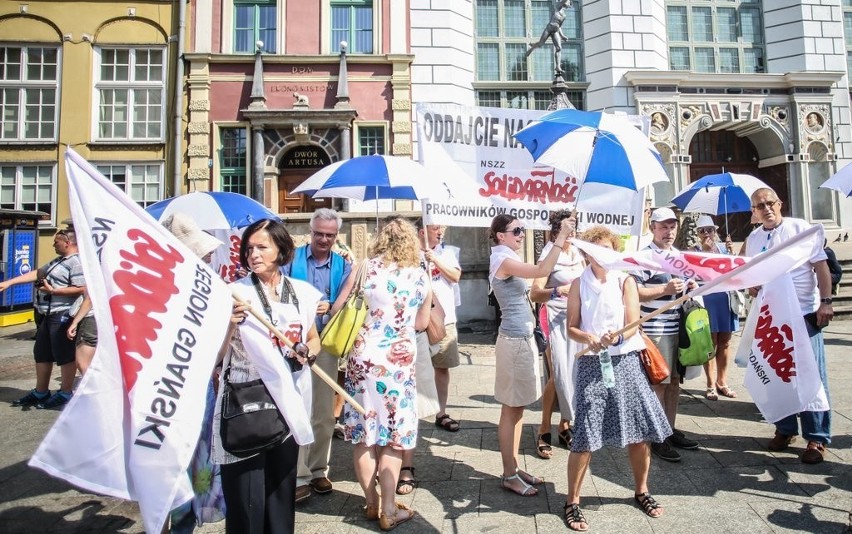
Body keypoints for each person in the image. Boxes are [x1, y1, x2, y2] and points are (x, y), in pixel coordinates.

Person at [213, 218, 320, 534]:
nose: (253, 255)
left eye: (262, 247)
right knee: (247, 500)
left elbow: (312, 337)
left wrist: (309, 350)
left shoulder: (301, 292)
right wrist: (229, 324)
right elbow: (215, 356)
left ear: (281, 250)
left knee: (280, 492)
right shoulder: (233, 293)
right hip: (246, 403)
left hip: (289, 402)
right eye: (249, 249)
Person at [564, 225, 671, 531]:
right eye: (596, 250)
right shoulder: (577, 284)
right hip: (591, 365)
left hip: (625, 362)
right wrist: (589, 337)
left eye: (608, 249)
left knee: (638, 432)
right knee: (585, 433)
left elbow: (633, 325)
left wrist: (617, 338)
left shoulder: (625, 280)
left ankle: (642, 490)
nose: (602, 255)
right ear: (586, 253)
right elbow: (572, 326)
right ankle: (572, 501)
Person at [342, 216, 431, 530]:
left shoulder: (365, 268)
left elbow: (342, 307)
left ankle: (371, 502)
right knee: (392, 437)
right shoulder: (421, 276)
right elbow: (421, 324)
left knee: (364, 435)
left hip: (363, 359)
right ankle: (390, 508)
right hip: (398, 364)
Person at [745, 187, 834, 464]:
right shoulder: (754, 238)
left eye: (770, 203)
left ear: (780, 203)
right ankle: (784, 428)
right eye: (760, 206)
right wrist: (752, 285)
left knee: (811, 375)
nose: (766, 209)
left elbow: (821, 267)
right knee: (775, 372)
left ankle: (816, 437)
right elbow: (751, 274)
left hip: (805, 312)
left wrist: (827, 301)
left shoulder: (801, 229)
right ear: (754, 212)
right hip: (773, 317)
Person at [488, 214, 572, 496]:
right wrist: (560, 239)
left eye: (523, 230)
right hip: (514, 341)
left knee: (519, 406)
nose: (522, 234)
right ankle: (509, 474)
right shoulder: (501, 257)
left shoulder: (505, 256)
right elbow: (540, 271)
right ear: (501, 235)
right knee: (511, 409)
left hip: (521, 339)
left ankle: (513, 467)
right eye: (517, 231)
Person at [158, 212, 228, 533]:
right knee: (181, 459)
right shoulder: (183, 291)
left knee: (190, 456)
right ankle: (178, 522)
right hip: (180, 385)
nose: (212, 254)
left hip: (193, 382)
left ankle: (178, 521)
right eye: (205, 251)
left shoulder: (202, 286)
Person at [283, 208, 354, 502]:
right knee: (296, 408)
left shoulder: (343, 265)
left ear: (336, 236)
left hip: (326, 344)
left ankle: (318, 470)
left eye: (330, 235)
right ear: (310, 232)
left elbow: (347, 301)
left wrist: (333, 306)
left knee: (324, 411)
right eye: (319, 233)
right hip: (295, 345)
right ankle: (297, 474)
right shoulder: (291, 260)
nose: (324, 239)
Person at [394, 220, 461, 495]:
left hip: (443, 319)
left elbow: (456, 276)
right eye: (435, 228)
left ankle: (440, 411)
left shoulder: (448, 251)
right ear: (422, 231)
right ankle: (416, 414)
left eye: (442, 228)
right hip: (414, 325)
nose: (440, 232)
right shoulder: (409, 255)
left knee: (441, 367)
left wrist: (434, 258)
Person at [632, 207, 700, 463]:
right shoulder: (644, 256)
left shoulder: (678, 256)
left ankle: (668, 429)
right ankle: (656, 436)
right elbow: (634, 291)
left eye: (672, 226)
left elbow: (685, 287)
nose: (669, 231)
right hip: (655, 328)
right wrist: (665, 288)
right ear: (653, 228)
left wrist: (690, 286)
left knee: (673, 382)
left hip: (677, 326)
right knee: (658, 383)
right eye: (663, 227)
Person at [1, 229, 85, 410]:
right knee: (42, 352)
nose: (53, 244)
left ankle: (65, 392)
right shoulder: (58, 261)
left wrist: (53, 291)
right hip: (47, 313)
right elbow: (38, 273)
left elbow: (82, 289)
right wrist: (10, 283)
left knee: (64, 354)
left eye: (56, 242)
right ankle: (41, 391)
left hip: (62, 313)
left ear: (67, 242)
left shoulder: (76, 262)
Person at [530, 210, 584, 458]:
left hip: (577, 318)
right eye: (566, 228)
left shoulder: (579, 252)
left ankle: (565, 425)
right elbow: (535, 292)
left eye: (573, 227)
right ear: (555, 231)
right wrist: (557, 291)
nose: (571, 232)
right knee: (558, 373)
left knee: (573, 372)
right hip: (552, 317)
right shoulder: (549, 253)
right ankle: (543, 429)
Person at [692, 214, 739, 401]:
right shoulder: (694, 251)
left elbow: (734, 273)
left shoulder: (723, 249)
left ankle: (722, 382)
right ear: (697, 234)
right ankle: (710, 384)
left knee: (725, 342)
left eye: (709, 230)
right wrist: (704, 253)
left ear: (715, 231)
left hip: (724, 299)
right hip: (707, 301)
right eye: (702, 231)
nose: (706, 234)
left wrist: (732, 255)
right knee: (710, 344)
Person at [524, 0, 571, 74]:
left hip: (555, 31)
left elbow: (559, 26)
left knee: (559, 48)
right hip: (548, 29)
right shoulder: (558, 7)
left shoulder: (564, 16)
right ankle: (532, 48)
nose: (567, 2)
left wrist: (562, 36)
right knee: (540, 44)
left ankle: (558, 66)